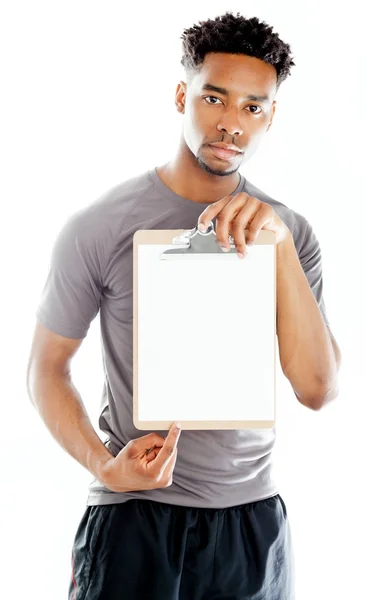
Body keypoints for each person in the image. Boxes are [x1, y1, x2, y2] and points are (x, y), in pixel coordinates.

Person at [26, 11, 341, 600]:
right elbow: (45, 367)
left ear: (272, 116)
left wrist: (277, 247)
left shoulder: (290, 232)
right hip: (132, 517)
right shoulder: (99, 226)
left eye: (254, 107)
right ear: (182, 95)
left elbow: (318, 389)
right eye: (215, 99)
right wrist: (104, 465)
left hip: (251, 523)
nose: (231, 124)